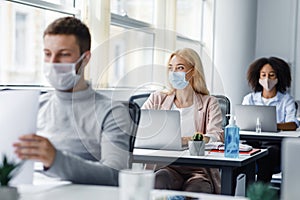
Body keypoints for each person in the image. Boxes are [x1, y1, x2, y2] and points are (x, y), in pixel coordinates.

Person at [13, 17, 132, 185]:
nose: (53, 63)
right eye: (48, 54)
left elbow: (115, 175)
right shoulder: (34, 106)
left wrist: (56, 160)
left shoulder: (111, 112)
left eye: (64, 54)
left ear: (85, 59)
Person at [142, 48, 224, 194]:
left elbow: (216, 136)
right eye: (171, 68)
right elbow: (140, 127)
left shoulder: (210, 102)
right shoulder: (157, 99)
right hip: (166, 165)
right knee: (159, 181)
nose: (174, 73)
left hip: (198, 169)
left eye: (180, 68)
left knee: (197, 188)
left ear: (192, 71)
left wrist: (185, 140)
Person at [242, 56, 299, 183]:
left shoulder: (286, 100)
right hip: (252, 142)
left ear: (279, 77)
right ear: (258, 77)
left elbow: (293, 124)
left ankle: (259, 193)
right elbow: (243, 122)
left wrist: (274, 125)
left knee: (267, 156)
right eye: (263, 75)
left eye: (271, 75)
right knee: (241, 156)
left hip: (274, 145)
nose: (267, 79)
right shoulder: (249, 99)